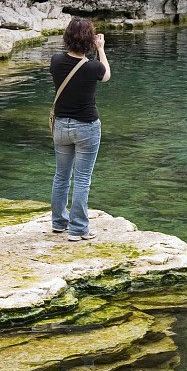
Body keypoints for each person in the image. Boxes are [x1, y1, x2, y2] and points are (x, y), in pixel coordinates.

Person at [49, 17, 111, 241]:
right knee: (82, 178)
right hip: (87, 127)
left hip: (61, 128)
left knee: (61, 176)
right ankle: (78, 230)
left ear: (67, 38)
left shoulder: (56, 61)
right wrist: (101, 49)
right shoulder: (92, 66)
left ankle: (58, 223)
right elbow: (106, 75)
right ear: (89, 41)